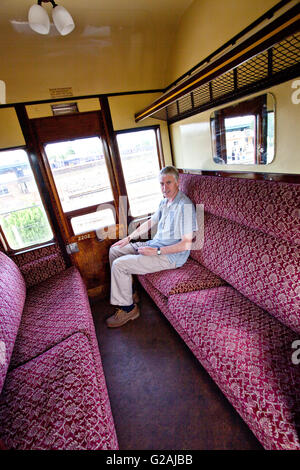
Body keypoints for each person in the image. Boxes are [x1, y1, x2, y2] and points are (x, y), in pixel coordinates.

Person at [106, 165, 197, 328]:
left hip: (170, 256)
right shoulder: (164, 202)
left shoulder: (186, 207)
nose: (164, 188)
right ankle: (131, 293)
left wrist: (157, 251)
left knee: (120, 265)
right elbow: (151, 222)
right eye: (161, 184)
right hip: (154, 245)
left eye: (168, 183)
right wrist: (129, 238)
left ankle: (128, 310)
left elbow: (186, 244)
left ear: (177, 182)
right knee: (115, 250)